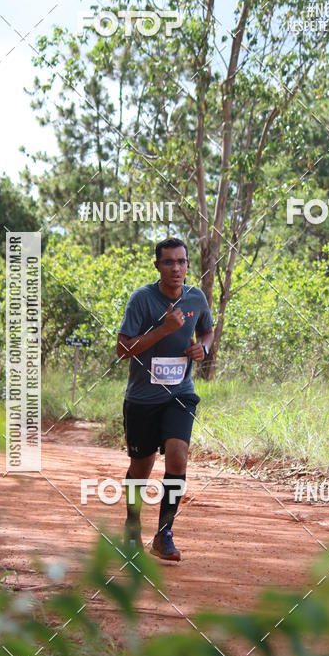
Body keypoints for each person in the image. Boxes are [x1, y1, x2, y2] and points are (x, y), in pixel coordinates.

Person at [116, 238, 214, 561]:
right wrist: (164, 329)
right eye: (169, 262)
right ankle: (132, 529)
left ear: (188, 265)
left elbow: (207, 331)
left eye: (181, 262)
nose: (176, 268)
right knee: (141, 468)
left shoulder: (196, 298)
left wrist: (204, 348)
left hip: (180, 394)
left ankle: (164, 533)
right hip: (143, 398)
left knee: (178, 457)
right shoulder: (142, 300)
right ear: (157, 265)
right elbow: (123, 349)